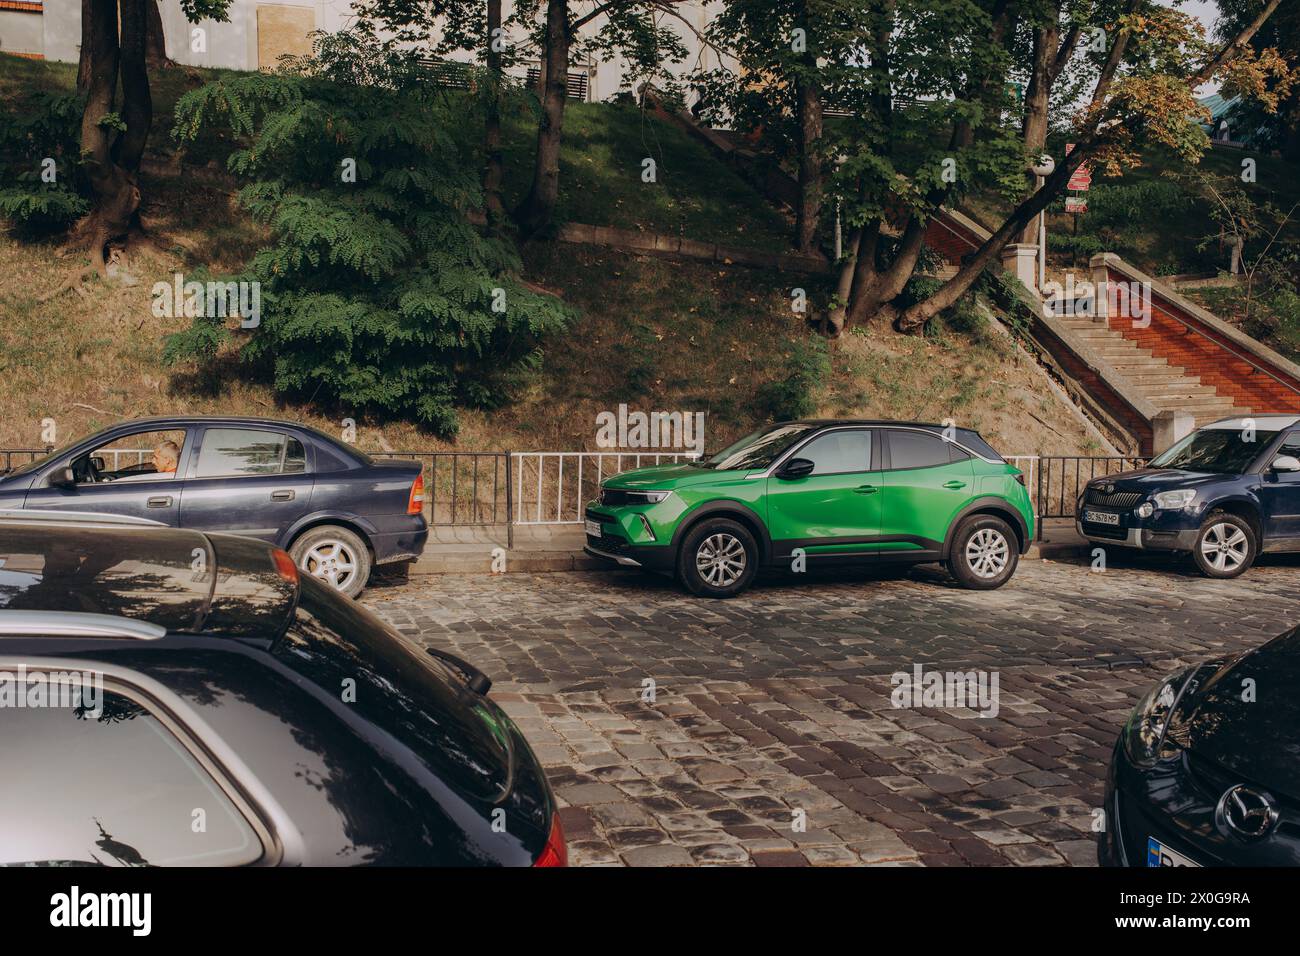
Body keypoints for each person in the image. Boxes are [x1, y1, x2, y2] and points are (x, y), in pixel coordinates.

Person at [112, 440, 181, 481]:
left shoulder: (168, 479)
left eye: (156, 458)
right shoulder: (176, 475)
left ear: (167, 460)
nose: (153, 461)